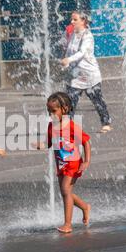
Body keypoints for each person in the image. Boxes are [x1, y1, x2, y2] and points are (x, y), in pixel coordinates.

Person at [33, 92, 91, 233]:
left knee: (65, 190)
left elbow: (86, 142)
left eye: (53, 111)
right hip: (61, 164)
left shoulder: (71, 126)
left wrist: (87, 161)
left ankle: (67, 224)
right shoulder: (51, 126)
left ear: (64, 109)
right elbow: (48, 144)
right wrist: (39, 145)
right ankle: (84, 206)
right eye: (48, 111)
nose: (50, 114)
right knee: (66, 192)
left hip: (73, 163)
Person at [61, 11, 112, 134]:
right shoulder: (73, 34)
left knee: (97, 101)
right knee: (69, 102)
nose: (72, 22)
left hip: (90, 75)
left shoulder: (87, 36)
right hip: (76, 75)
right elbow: (70, 51)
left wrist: (69, 59)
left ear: (83, 21)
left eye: (75, 20)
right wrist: (66, 64)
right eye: (71, 19)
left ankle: (106, 123)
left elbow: (82, 53)